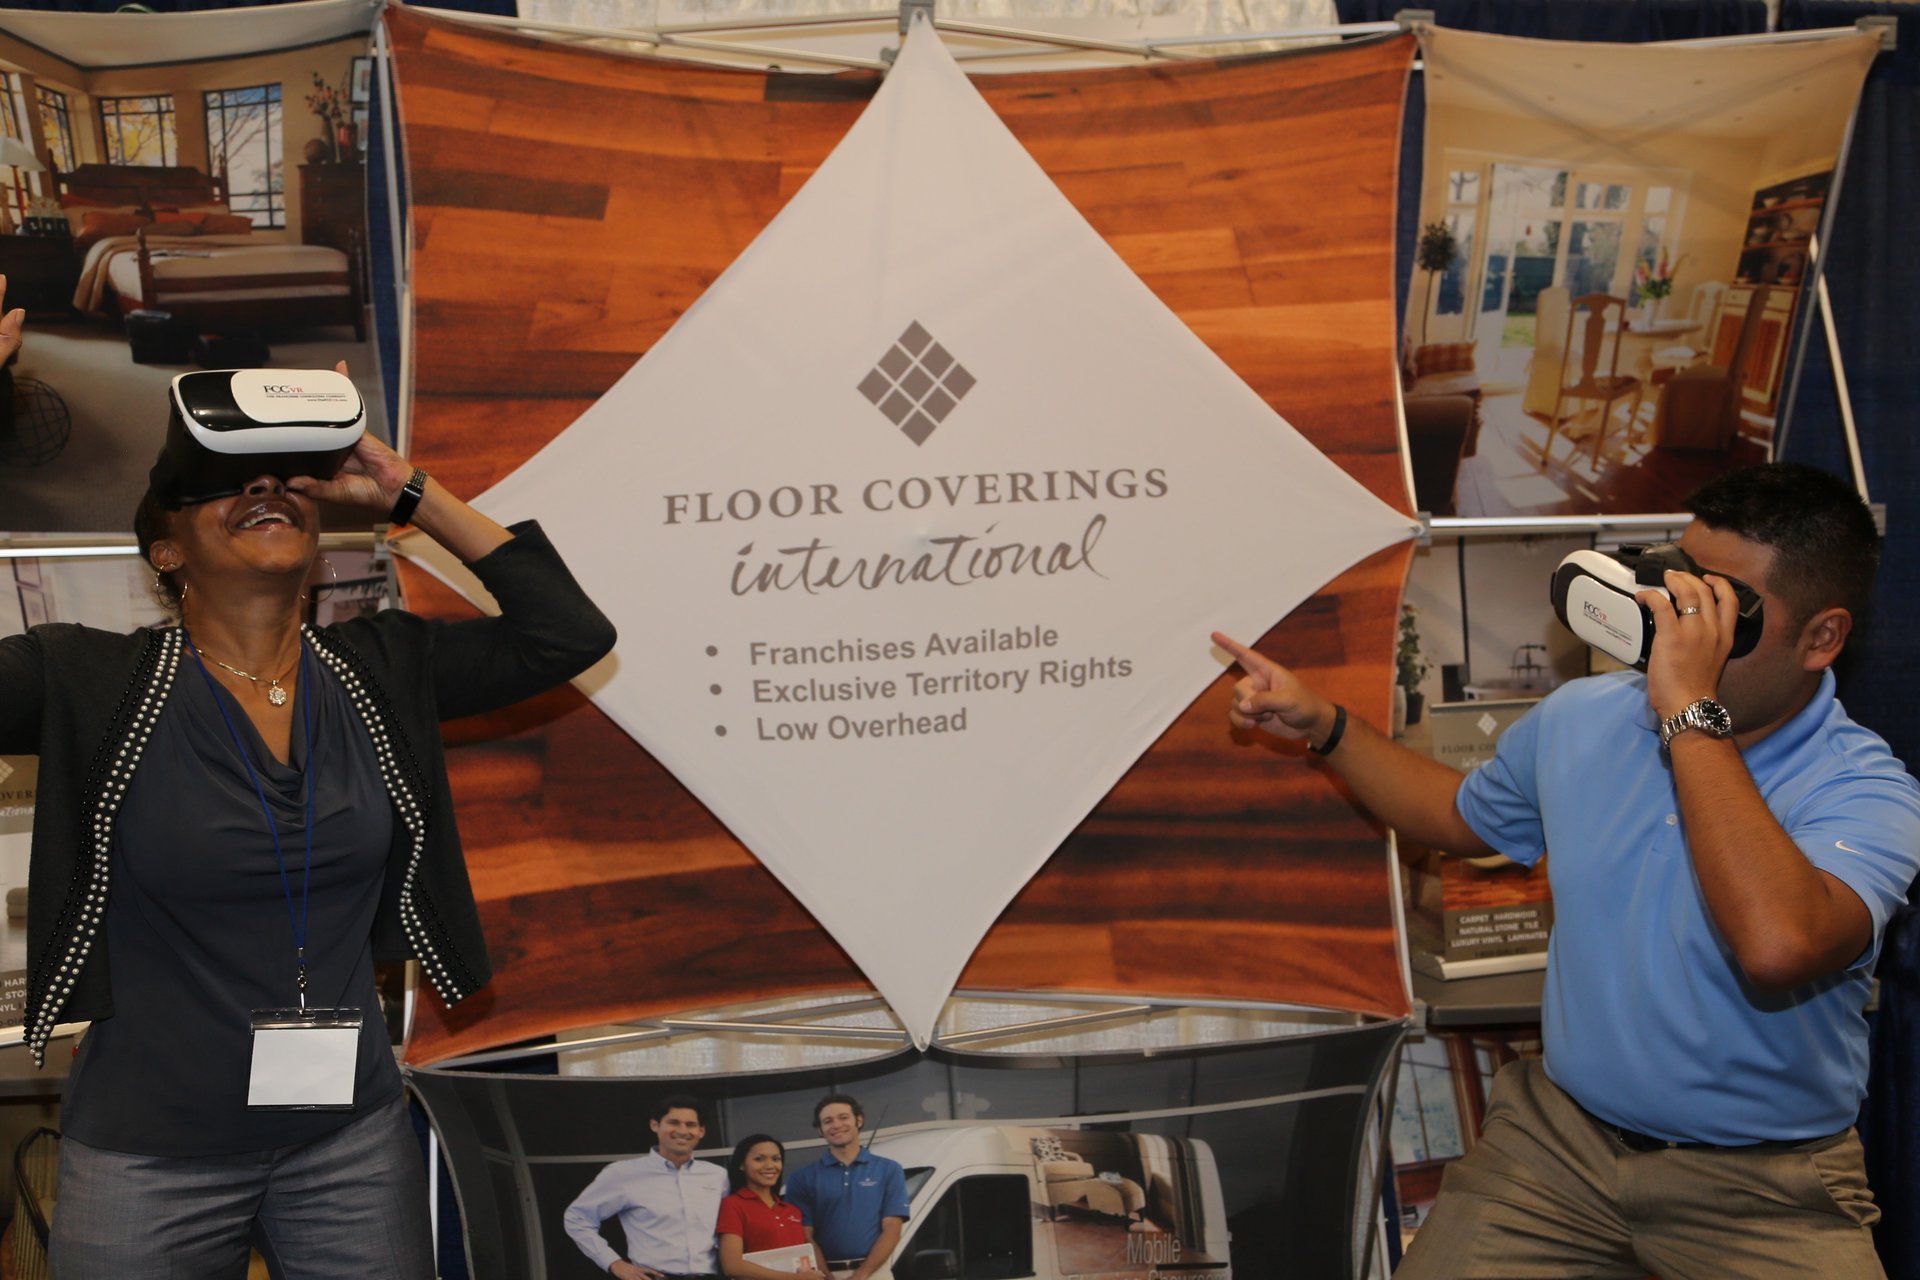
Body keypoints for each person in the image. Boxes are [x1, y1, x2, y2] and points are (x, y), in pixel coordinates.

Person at [0, 302, 617, 1278]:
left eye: (287, 481)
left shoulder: (380, 671)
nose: (264, 489)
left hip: (347, 1143)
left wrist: (407, 488)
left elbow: (567, 633)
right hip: (148, 1154)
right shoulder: (89, 681)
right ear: (165, 548)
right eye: (223, 482)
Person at [1215, 462, 1920, 1280]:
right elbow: (1457, 816)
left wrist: (1690, 716)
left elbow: (1778, 944)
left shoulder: (1866, 791)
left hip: (1765, 1184)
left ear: (1821, 638)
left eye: (1720, 609)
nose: (1677, 625)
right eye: (1675, 586)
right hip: (1558, 1147)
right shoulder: (1588, 718)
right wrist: (1326, 726)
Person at [563, 1094, 731, 1280]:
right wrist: (614, 1263)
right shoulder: (623, 1174)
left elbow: (728, 1229)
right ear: (655, 1125)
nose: (682, 1131)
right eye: (673, 1123)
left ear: (701, 1131)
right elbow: (577, 1218)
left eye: (690, 1125)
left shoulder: (717, 1176)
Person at [785, 1094, 910, 1279]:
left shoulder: (889, 1169)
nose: (836, 1125)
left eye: (843, 1117)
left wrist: (861, 1275)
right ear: (820, 1130)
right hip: (821, 1275)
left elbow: (892, 1228)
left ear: (858, 1120)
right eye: (828, 1121)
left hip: (874, 1273)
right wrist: (826, 1277)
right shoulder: (802, 1178)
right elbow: (804, 1236)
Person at [718, 1134, 827, 1279]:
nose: (770, 1166)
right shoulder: (732, 1205)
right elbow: (732, 1265)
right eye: (759, 1159)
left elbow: (803, 1259)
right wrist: (795, 1279)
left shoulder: (792, 1210)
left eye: (776, 1159)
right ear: (741, 1164)